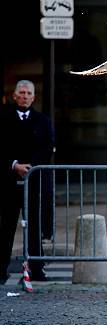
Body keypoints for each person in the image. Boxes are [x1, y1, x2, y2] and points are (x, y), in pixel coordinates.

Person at [0, 80, 55, 284]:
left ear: (34, 97)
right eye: (21, 92)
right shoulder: (3, 118)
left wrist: (31, 167)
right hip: (8, 182)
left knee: (34, 227)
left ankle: (37, 270)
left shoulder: (43, 120)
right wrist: (14, 165)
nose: (24, 96)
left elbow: (48, 147)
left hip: (34, 182)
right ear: (15, 96)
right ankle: (1, 270)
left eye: (28, 93)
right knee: (6, 227)